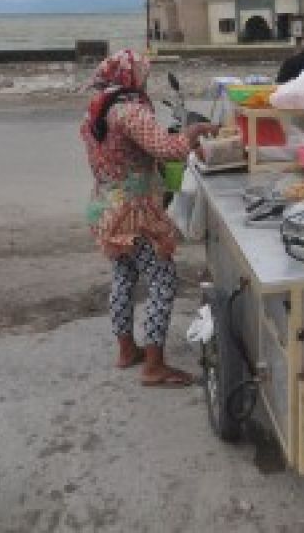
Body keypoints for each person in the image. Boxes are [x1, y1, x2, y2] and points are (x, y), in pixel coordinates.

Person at [81, 49, 216, 387]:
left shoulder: (98, 109)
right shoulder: (129, 111)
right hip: (133, 211)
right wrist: (195, 131)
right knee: (163, 278)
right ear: (131, 76)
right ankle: (154, 364)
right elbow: (166, 150)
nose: (146, 79)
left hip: (106, 205)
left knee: (125, 275)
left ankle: (127, 350)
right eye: (144, 73)